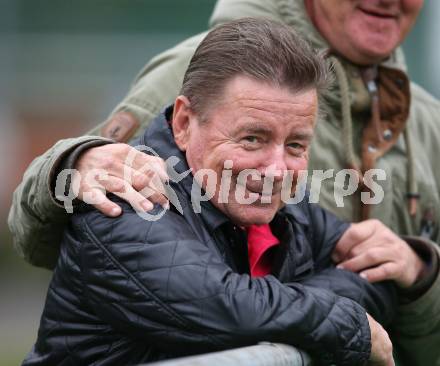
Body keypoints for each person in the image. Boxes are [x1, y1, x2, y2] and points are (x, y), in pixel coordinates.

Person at [9, 0, 440, 365]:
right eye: (252, 137)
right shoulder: (132, 194)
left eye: (296, 145)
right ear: (182, 121)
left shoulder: (425, 118)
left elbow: (374, 278)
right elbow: (210, 304)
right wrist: (69, 161)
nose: (275, 169)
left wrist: (418, 270)